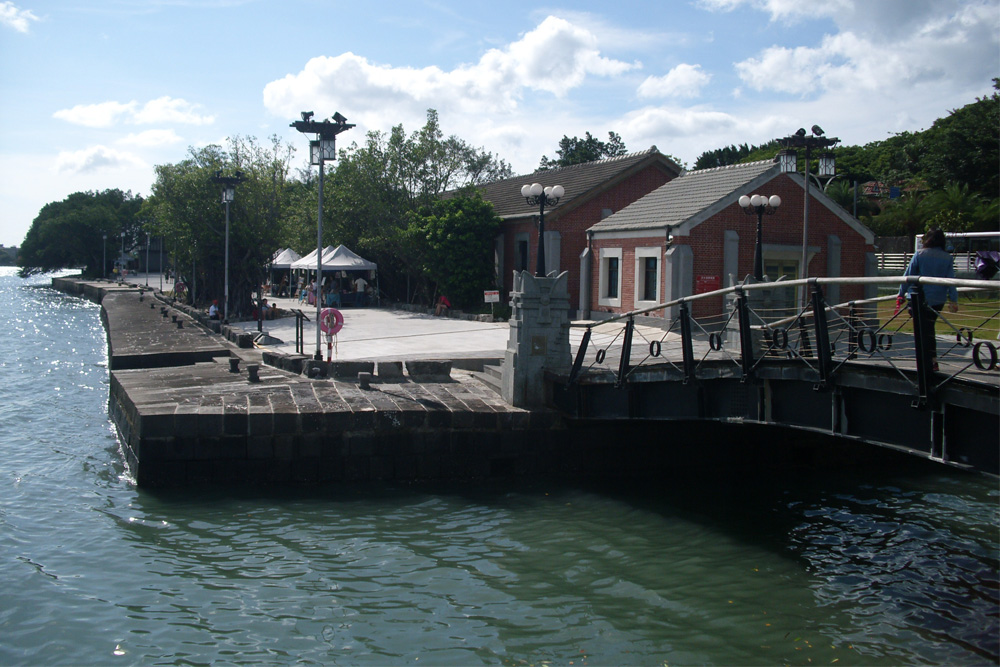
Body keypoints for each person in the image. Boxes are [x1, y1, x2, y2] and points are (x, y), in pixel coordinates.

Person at [896, 228, 958, 372]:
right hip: (938, 300)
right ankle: (931, 360)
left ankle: (926, 361)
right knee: (928, 328)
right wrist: (953, 300)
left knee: (922, 330)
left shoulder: (919, 254)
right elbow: (951, 281)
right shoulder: (947, 258)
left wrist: (901, 294)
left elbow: (908, 275)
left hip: (918, 298)